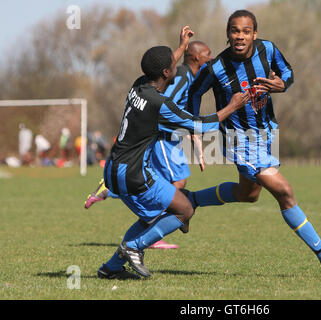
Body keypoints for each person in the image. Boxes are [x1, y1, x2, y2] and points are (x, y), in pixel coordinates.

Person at [184, 10, 321, 273]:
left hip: (266, 133)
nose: (240, 36)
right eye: (234, 30)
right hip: (240, 139)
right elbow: (194, 93)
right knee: (284, 192)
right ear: (228, 34)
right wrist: (195, 129)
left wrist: (281, 84)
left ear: (255, 33)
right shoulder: (216, 67)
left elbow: (287, 72)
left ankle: (191, 200)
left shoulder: (268, 49)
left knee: (247, 194)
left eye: (245, 31)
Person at [96, 26, 250, 279]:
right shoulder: (161, 105)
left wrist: (181, 45)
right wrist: (232, 106)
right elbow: (202, 125)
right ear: (166, 73)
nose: (176, 67)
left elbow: (166, 65)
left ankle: (111, 268)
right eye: (172, 64)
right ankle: (133, 247)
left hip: (113, 168)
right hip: (132, 173)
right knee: (184, 209)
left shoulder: (139, 85)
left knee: (153, 217)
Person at [85, 40, 214, 250]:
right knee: (178, 185)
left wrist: (191, 134)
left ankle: (114, 196)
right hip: (163, 136)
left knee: (165, 183)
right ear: (197, 57)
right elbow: (161, 102)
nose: (211, 58)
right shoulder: (181, 78)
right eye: (208, 54)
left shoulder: (160, 79)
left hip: (172, 136)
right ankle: (155, 231)